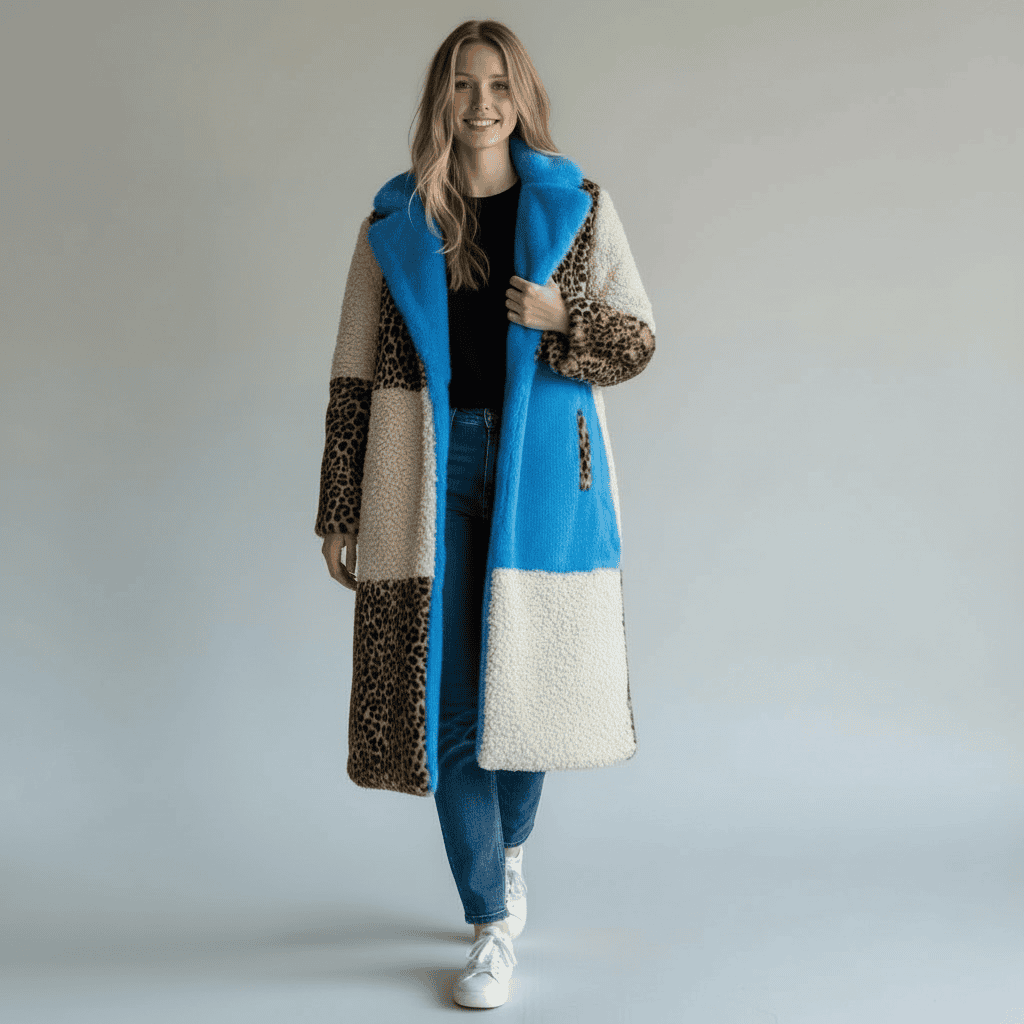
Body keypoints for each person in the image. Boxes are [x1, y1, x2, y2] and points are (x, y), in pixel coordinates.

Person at [315, 18, 656, 1009]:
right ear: (441, 99)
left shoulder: (578, 207)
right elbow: (351, 375)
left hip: (541, 475)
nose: (481, 103)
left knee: (530, 694)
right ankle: (489, 922)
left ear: (521, 96)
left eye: (498, 84)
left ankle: (507, 851)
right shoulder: (395, 221)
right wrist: (340, 506)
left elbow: (637, 340)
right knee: (451, 698)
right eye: (463, 84)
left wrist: (564, 319)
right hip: (424, 470)